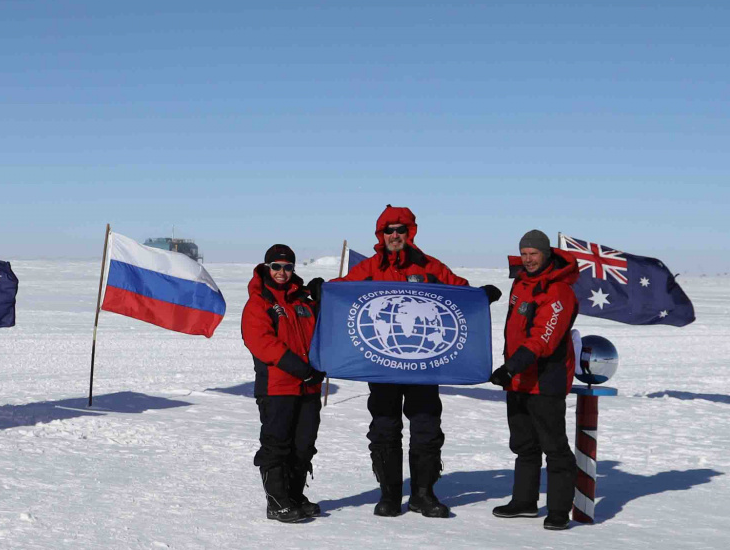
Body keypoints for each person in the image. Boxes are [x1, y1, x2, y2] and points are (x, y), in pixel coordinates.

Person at [340, 207, 500, 518]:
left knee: (426, 427)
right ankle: (389, 495)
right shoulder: (371, 267)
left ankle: (423, 494)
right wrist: (322, 290)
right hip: (383, 365)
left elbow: (457, 288)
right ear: (381, 235)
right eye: (389, 230)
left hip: (425, 366)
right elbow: (343, 290)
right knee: (385, 427)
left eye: (400, 229)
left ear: (409, 232)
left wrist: (480, 296)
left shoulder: (429, 265)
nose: (395, 235)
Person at [490, 229, 581, 529]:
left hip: (545, 380)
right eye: (525, 254)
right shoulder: (521, 283)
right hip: (517, 380)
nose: (528, 259)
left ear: (546, 254)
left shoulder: (558, 291)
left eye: (534, 254)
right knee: (524, 445)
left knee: (554, 447)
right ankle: (525, 502)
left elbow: (544, 337)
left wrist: (511, 367)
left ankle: (558, 510)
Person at [240, 244, 322, 524]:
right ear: (267, 267)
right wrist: (299, 368)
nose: (282, 272)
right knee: (277, 445)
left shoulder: (303, 301)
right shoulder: (259, 302)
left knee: (304, 445)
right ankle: (277, 502)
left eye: (287, 267)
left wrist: (324, 299)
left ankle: (294, 496)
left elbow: (323, 331)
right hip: (277, 388)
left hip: (308, 387)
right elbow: (261, 342)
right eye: (276, 266)